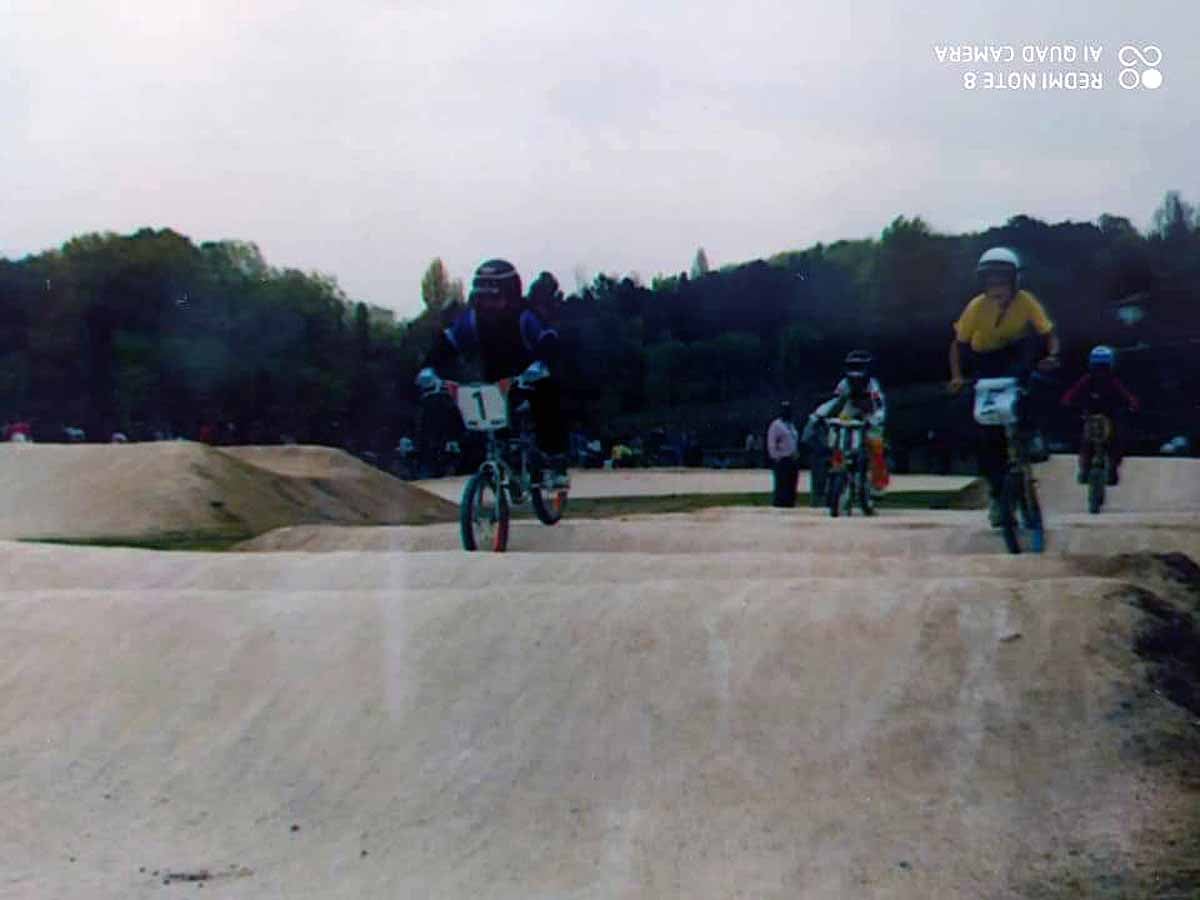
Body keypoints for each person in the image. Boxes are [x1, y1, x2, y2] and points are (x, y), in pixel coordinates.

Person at [416, 259, 568, 486]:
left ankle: (555, 462)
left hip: (530, 378)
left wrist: (540, 365)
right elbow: (446, 344)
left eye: (495, 298)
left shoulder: (525, 317)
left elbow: (547, 341)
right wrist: (428, 369)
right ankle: (445, 454)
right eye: (483, 298)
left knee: (547, 396)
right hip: (495, 383)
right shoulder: (472, 320)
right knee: (455, 407)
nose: (488, 305)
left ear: (511, 295)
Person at [948, 247, 1060, 526]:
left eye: (1002, 280)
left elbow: (1048, 334)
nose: (996, 286)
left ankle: (1032, 434)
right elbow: (958, 345)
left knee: (1035, 385)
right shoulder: (976, 306)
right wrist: (957, 376)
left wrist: (1052, 356)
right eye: (990, 280)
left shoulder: (1026, 302)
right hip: (984, 360)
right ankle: (997, 495)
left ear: (1014, 281)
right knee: (980, 426)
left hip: (1015, 356)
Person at [809, 350, 890, 494]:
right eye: (853, 367)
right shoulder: (844, 384)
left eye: (859, 367)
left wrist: (877, 418)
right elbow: (834, 402)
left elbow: (880, 405)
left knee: (876, 446)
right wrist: (818, 414)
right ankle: (836, 470)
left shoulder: (873, 385)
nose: (856, 372)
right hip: (849, 413)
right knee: (836, 440)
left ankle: (877, 484)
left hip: (870, 416)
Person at [1060, 345, 1140, 486]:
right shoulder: (1087, 380)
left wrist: (1132, 404)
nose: (1100, 371)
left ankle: (1112, 468)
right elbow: (1072, 393)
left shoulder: (1113, 381)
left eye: (1103, 367)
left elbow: (1127, 395)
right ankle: (1085, 468)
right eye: (1098, 367)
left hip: (1110, 416)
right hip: (1091, 415)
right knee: (1087, 442)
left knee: (1115, 441)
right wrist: (1068, 402)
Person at [766, 401, 800, 508]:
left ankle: (790, 504)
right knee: (782, 484)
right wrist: (775, 457)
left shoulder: (791, 425)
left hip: (793, 458)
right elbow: (771, 442)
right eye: (785, 410)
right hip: (782, 459)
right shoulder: (776, 425)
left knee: (791, 484)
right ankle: (780, 505)